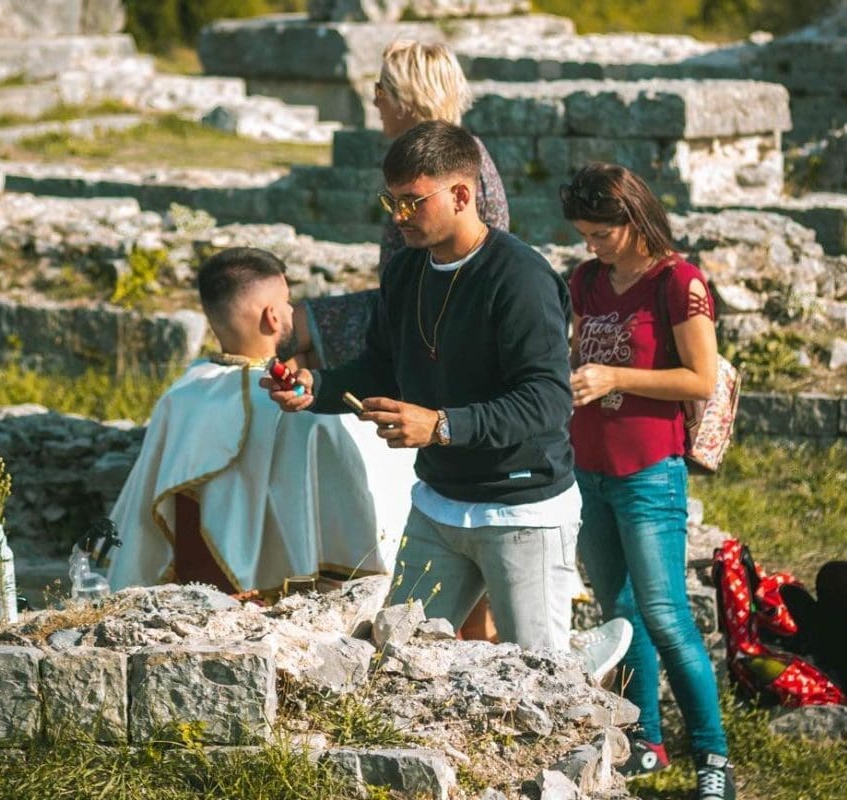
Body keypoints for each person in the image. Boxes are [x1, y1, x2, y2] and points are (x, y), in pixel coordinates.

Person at [267, 121, 630, 680]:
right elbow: (383, 368)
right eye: (391, 200)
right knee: (394, 668)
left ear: (462, 195)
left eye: (413, 201)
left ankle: (581, 680)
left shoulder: (521, 279)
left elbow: (547, 403)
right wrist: (317, 389)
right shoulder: (407, 271)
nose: (398, 216)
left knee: (542, 683)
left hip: (523, 510)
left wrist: (440, 425)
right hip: (439, 504)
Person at [561, 163, 735, 800]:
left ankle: (713, 757)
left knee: (666, 616)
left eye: (601, 233)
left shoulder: (679, 283)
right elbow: (586, 352)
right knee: (622, 616)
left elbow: (700, 379)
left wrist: (614, 378)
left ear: (635, 220)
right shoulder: (587, 280)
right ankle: (648, 741)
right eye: (584, 233)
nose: (591, 245)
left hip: (648, 473)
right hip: (590, 470)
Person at [105, 247, 415, 596]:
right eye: (287, 302)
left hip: (198, 590)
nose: (290, 310)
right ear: (271, 317)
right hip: (285, 599)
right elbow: (362, 500)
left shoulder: (183, 394)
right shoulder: (304, 411)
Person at [293, 39, 509, 371]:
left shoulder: (446, 165)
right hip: (407, 303)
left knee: (288, 330)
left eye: (381, 89)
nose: (375, 100)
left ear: (406, 99)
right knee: (293, 347)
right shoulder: (430, 156)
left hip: (431, 318)